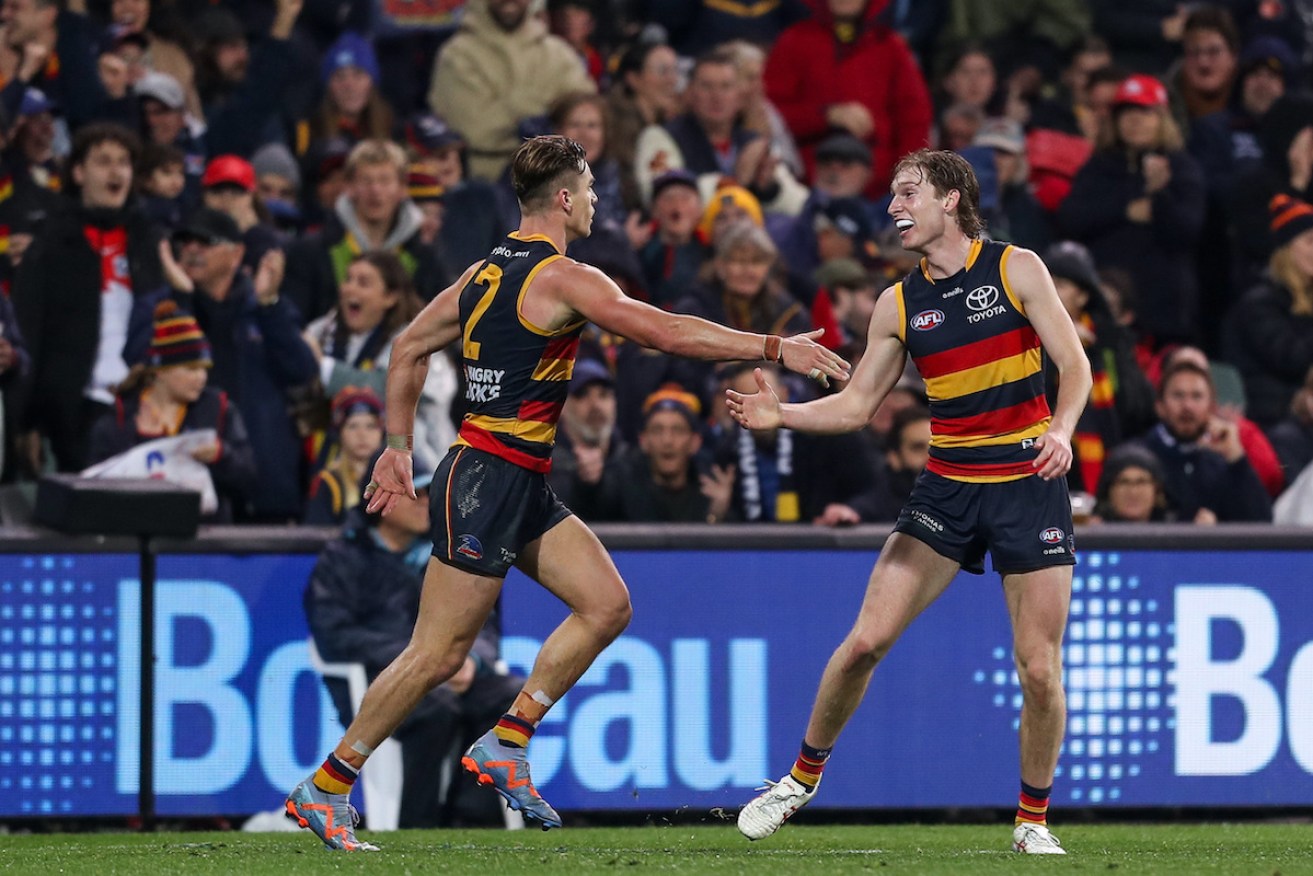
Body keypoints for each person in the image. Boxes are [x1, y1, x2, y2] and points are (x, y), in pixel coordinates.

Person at [285, 134, 848, 851]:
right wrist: (772, 347)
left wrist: (398, 449)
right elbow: (665, 332)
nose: (592, 203)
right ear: (561, 197)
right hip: (488, 475)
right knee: (435, 653)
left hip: (510, 476)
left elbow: (405, 348)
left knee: (607, 604)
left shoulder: (484, 272)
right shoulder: (562, 277)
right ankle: (328, 786)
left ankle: (507, 739)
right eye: (586, 190)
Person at [729, 148, 1091, 855]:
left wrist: (1063, 431)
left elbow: (1073, 367)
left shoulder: (1018, 268)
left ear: (950, 198)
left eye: (906, 193)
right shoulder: (897, 304)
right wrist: (786, 418)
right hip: (946, 488)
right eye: (891, 196)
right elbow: (858, 405)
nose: (892, 206)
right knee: (864, 641)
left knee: (1039, 668)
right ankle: (798, 781)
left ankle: (1031, 822)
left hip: (1027, 484)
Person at [304, 458, 523, 827]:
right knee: (436, 709)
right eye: (416, 493)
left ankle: (472, 819)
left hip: (446, 671)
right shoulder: (342, 558)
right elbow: (333, 633)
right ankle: (415, 824)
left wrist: (470, 660)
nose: (427, 502)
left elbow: (482, 621)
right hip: (378, 682)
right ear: (382, 498)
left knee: (507, 696)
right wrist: (419, 659)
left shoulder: (450, 552)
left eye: (429, 494)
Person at [89, 300, 256, 521]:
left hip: (204, 540)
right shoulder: (119, 418)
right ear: (160, 371)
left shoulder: (219, 410)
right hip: (132, 537)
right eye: (190, 369)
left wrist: (221, 454)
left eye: (204, 369)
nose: (201, 378)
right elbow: (93, 491)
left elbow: (249, 480)